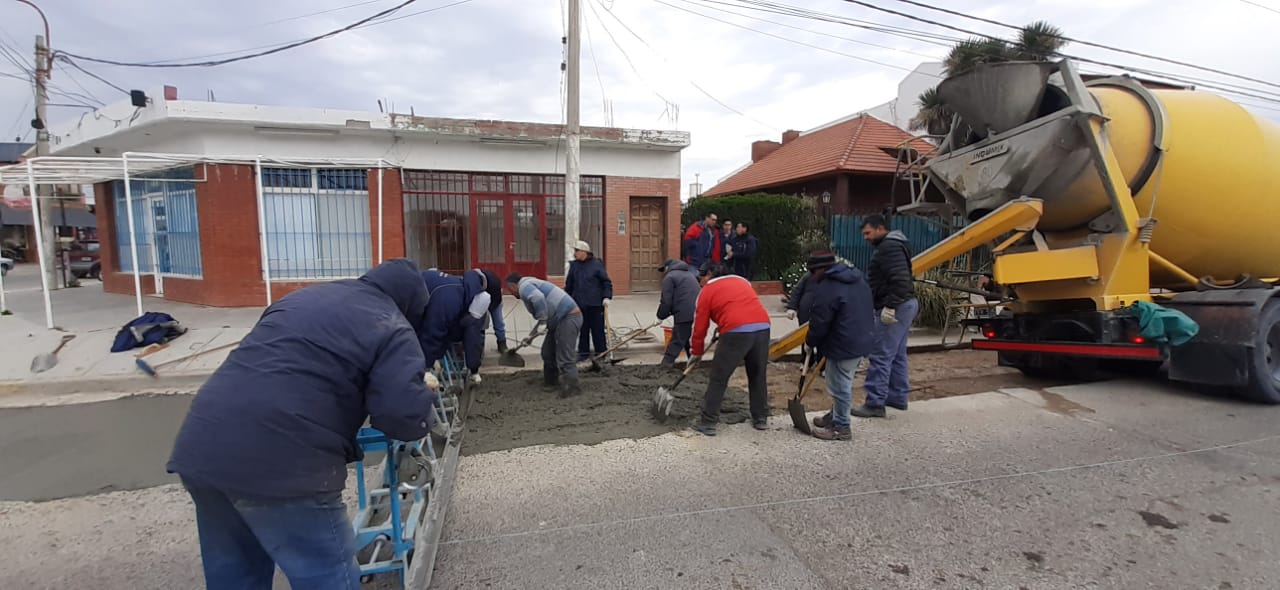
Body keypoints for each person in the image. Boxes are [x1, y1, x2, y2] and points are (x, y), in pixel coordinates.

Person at [166, 259, 437, 590]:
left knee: (236, 573)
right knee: (327, 575)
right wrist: (424, 401)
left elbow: (300, 366)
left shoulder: (302, 298)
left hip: (203, 446)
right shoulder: (392, 324)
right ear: (409, 304)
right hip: (284, 462)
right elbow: (402, 415)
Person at [689, 264, 772, 435]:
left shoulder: (707, 290)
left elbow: (699, 327)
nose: (700, 283)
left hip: (736, 332)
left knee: (719, 377)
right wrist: (722, 325)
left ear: (709, 275)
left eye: (701, 278)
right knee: (757, 374)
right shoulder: (742, 281)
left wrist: (696, 352)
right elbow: (739, 305)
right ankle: (760, 418)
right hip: (763, 327)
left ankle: (708, 422)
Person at [803, 252, 877, 441]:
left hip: (843, 341)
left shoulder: (829, 287)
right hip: (860, 337)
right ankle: (835, 416)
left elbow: (820, 320)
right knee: (839, 382)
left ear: (821, 269)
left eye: (813, 271)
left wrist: (810, 341)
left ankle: (841, 426)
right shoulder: (857, 278)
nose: (812, 276)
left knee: (840, 385)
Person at [856, 214, 919, 418]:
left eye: (868, 233)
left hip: (896, 307)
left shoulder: (889, 247)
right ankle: (897, 397)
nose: (866, 238)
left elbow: (900, 279)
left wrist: (890, 306)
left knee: (881, 353)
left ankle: (875, 403)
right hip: (905, 305)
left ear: (880, 228)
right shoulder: (896, 244)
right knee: (897, 354)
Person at [506, 272, 584, 397]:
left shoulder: (524, 287)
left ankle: (572, 387)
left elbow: (537, 298)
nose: (510, 293)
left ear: (514, 286)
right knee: (548, 353)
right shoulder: (530, 283)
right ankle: (551, 382)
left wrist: (542, 321)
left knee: (565, 356)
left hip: (568, 318)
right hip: (558, 319)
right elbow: (546, 313)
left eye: (510, 290)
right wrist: (530, 337)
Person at [419, 268, 489, 382]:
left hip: (433, 302)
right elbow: (434, 330)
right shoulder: (450, 299)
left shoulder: (472, 299)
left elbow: (473, 336)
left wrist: (474, 369)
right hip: (416, 297)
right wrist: (426, 366)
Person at [565, 240, 614, 361]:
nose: (575, 253)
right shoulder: (574, 266)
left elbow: (606, 282)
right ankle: (583, 353)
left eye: (577, 251)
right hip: (579, 304)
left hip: (595, 304)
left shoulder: (596, 265)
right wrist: (566, 301)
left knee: (598, 331)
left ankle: (601, 353)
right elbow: (569, 286)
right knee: (583, 330)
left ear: (584, 252)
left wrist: (606, 296)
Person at [656, 258, 700, 369]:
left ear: (668, 267)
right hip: (696, 311)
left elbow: (666, 301)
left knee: (677, 340)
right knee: (687, 339)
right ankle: (693, 365)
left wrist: (660, 316)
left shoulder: (670, 277)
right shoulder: (689, 275)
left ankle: (664, 367)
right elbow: (682, 296)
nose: (664, 273)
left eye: (664, 270)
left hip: (684, 313)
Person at [472, 268, 508, 354]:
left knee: (498, 322)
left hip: (495, 299)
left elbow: (497, 300)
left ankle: (502, 343)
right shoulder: (471, 281)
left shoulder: (494, 283)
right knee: (480, 323)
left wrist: (487, 311)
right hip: (479, 300)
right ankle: (480, 346)